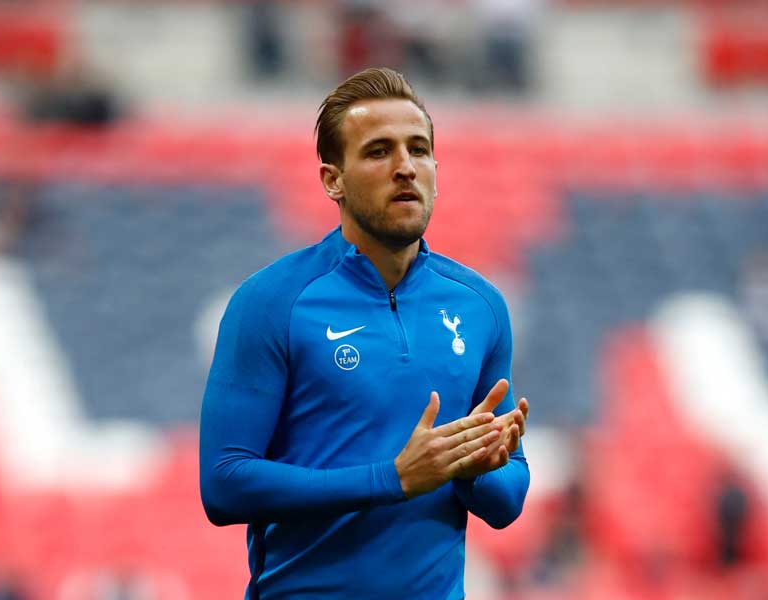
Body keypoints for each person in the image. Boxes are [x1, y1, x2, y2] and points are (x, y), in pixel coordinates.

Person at [199, 67, 530, 599]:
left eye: (418, 150)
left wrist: (473, 471)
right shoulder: (271, 302)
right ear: (333, 179)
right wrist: (391, 479)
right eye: (379, 151)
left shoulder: (480, 306)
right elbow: (224, 483)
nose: (405, 167)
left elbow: (508, 497)